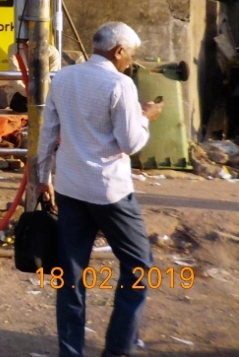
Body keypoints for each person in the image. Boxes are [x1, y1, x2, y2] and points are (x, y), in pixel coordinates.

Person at [36, 22, 164, 357]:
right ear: (118, 50)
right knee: (139, 265)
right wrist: (146, 116)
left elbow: (48, 132)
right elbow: (130, 142)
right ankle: (119, 347)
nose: (130, 62)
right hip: (110, 192)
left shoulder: (62, 78)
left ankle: (71, 351)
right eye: (130, 55)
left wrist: (42, 178)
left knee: (70, 275)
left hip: (69, 185)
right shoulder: (120, 84)